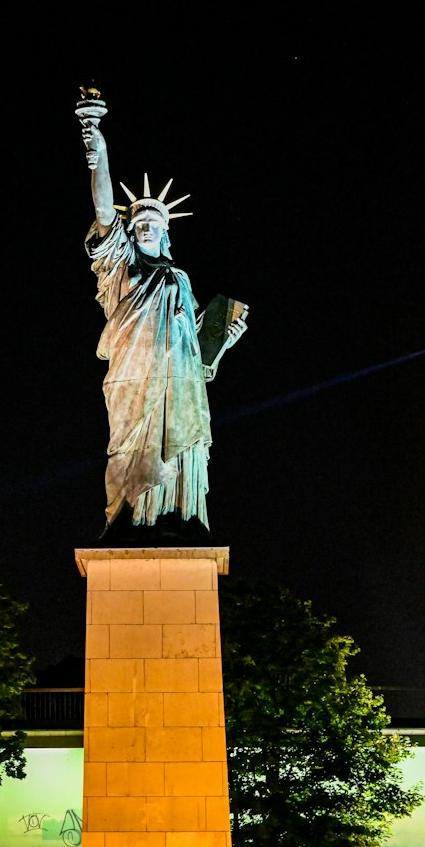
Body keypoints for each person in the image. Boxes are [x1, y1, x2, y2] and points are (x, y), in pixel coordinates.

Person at [76, 88, 248, 540]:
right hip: (135, 378)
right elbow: (101, 204)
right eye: (139, 223)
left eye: (156, 222)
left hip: (180, 382)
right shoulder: (120, 265)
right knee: (128, 445)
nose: (148, 226)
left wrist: (222, 339)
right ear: (130, 230)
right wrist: (96, 142)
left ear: (166, 230)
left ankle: (174, 515)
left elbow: (195, 341)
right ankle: (132, 517)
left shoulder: (180, 279)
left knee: (177, 447)